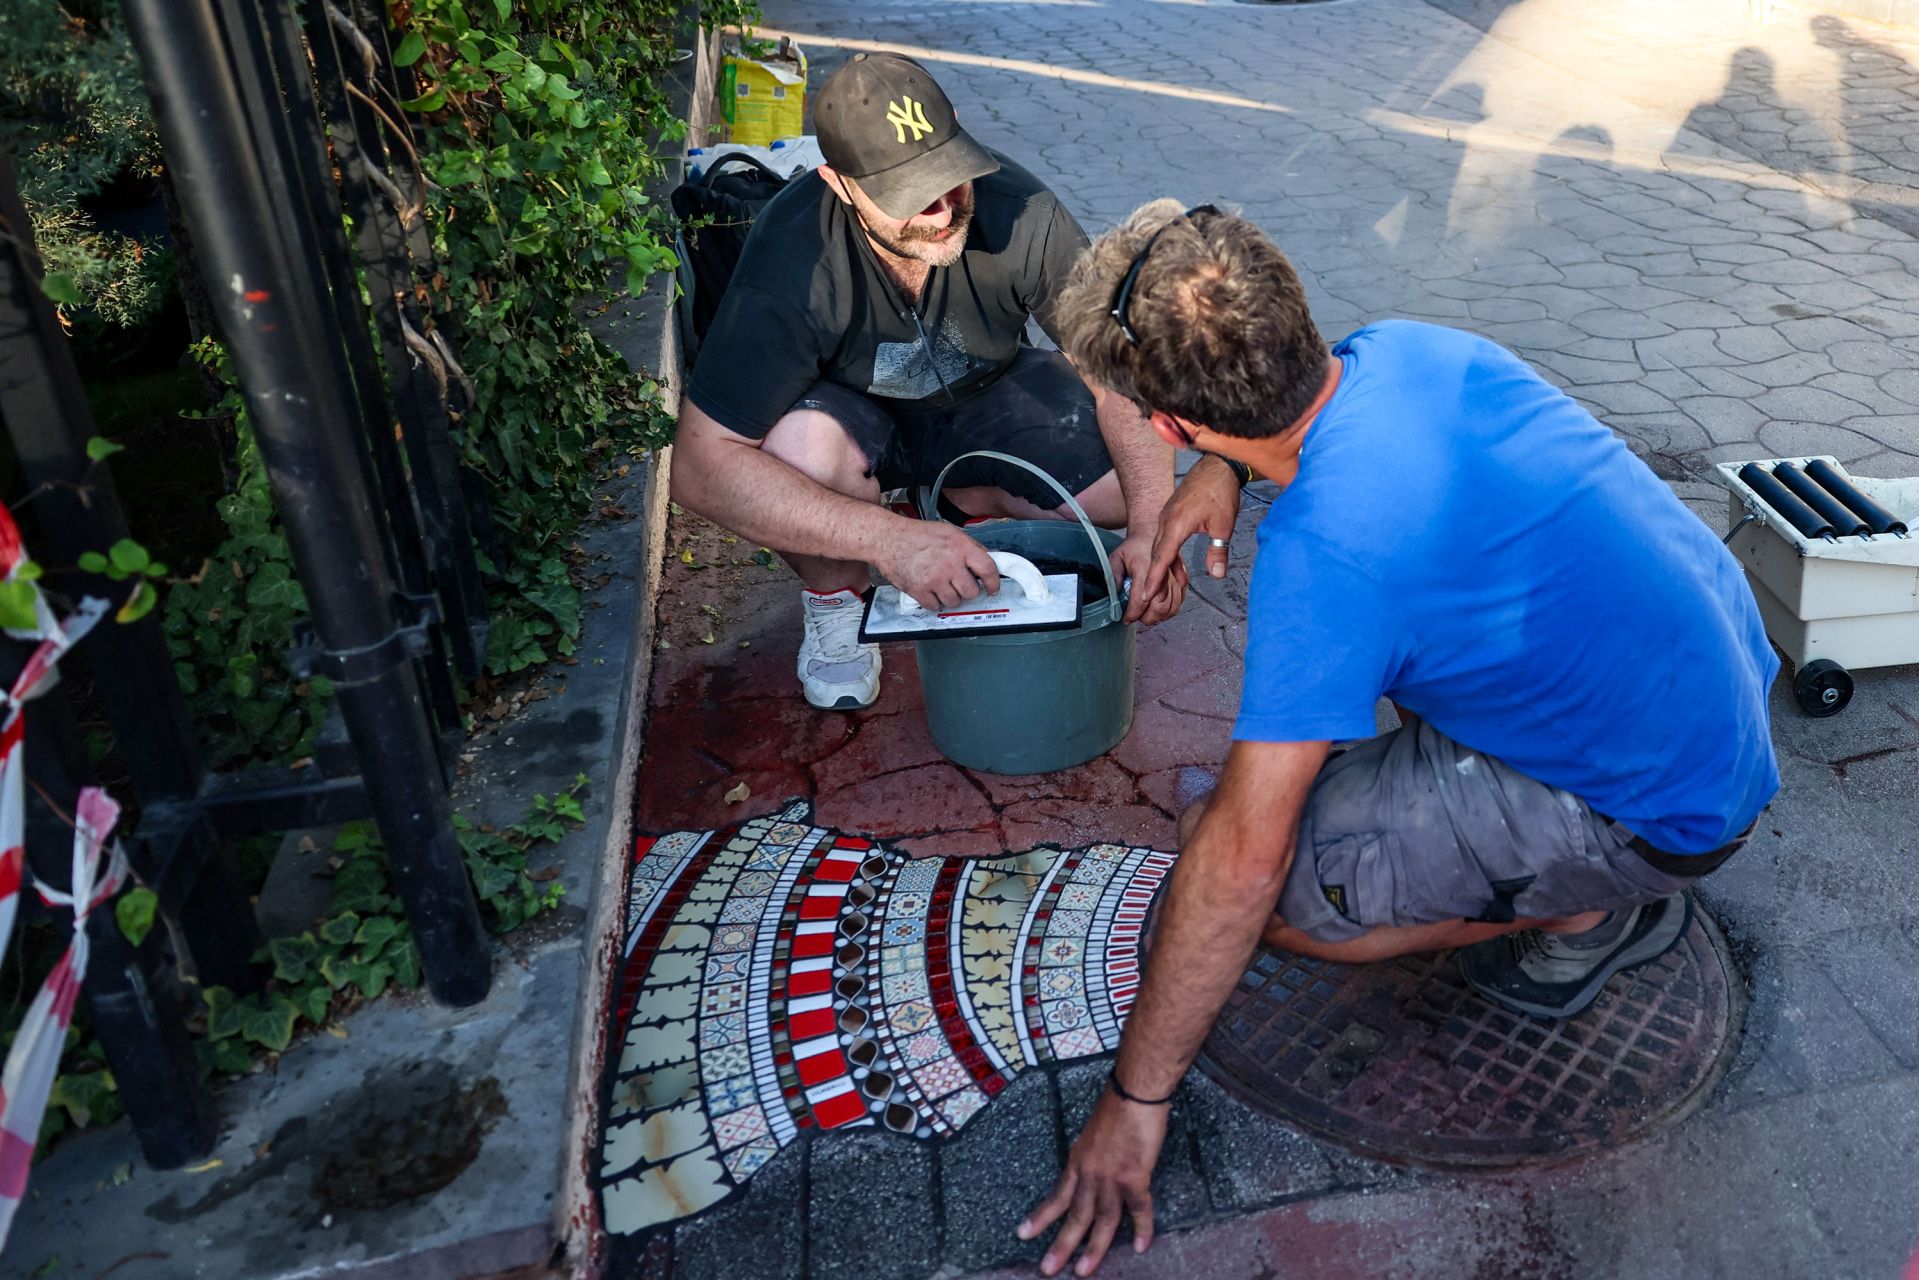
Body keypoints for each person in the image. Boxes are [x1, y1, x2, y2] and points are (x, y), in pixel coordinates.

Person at [1016, 201, 1780, 1276]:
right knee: (1392, 663)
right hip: (1714, 703)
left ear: (1170, 424)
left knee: (1256, 888)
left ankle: (1588, 908)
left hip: (1660, 812)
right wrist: (1223, 470)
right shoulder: (1413, 348)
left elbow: (1240, 866)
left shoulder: (1327, 557)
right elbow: (1284, 412)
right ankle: (1552, 853)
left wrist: (1136, 1101)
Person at [669, 53, 1246, 709]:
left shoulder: (1023, 210)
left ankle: (951, 500)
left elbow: (1121, 378)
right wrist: (886, 541)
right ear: (839, 183)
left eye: (948, 175)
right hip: (846, 417)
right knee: (797, 455)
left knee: (1126, 485)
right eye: (907, 194)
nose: (942, 210)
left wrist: (1148, 527)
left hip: (985, 392)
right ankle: (837, 596)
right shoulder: (791, 258)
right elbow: (700, 467)